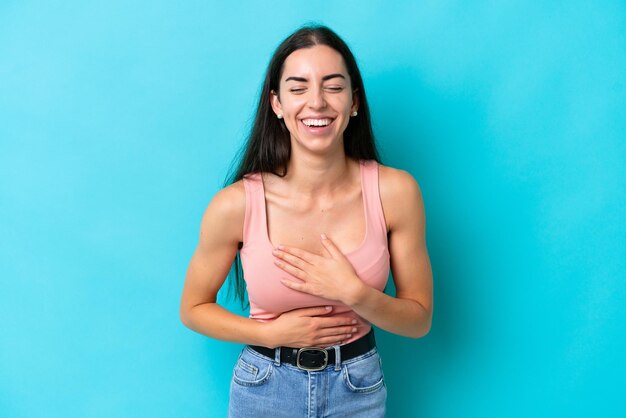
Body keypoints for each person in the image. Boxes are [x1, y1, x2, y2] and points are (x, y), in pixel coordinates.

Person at [179, 24, 433, 418]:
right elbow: (193, 307)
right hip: (264, 388)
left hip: (358, 387)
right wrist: (269, 333)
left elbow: (419, 320)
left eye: (333, 86)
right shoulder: (236, 205)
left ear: (354, 102)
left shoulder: (395, 192)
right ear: (277, 104)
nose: (317, 102)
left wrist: (355, 293)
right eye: (298, 88)